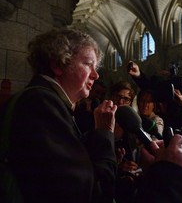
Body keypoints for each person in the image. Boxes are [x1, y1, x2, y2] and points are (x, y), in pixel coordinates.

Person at [0, 29, 118, 203]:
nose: (96, 74)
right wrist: (104, 132)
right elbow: (89, 193)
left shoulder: (43, 100)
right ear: (58, 64)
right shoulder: (41, 102)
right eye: (88, 64)